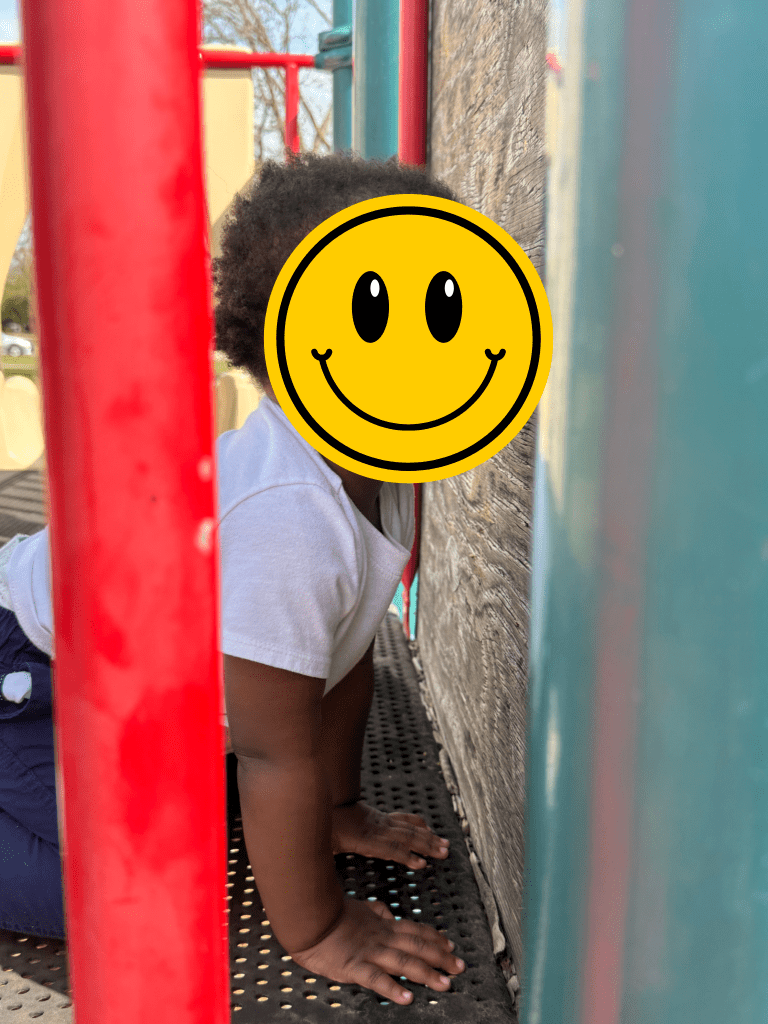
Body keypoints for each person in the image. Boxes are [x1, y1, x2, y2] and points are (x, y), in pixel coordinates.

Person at [0, 154, 467, 1004]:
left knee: (246, 817)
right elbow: (269, 747)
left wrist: (339, 812)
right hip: (39, 677)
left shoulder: (387, 470)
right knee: (133, 900)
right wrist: (319, 926)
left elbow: (346, 653)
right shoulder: (290, 513)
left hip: (128, 693)